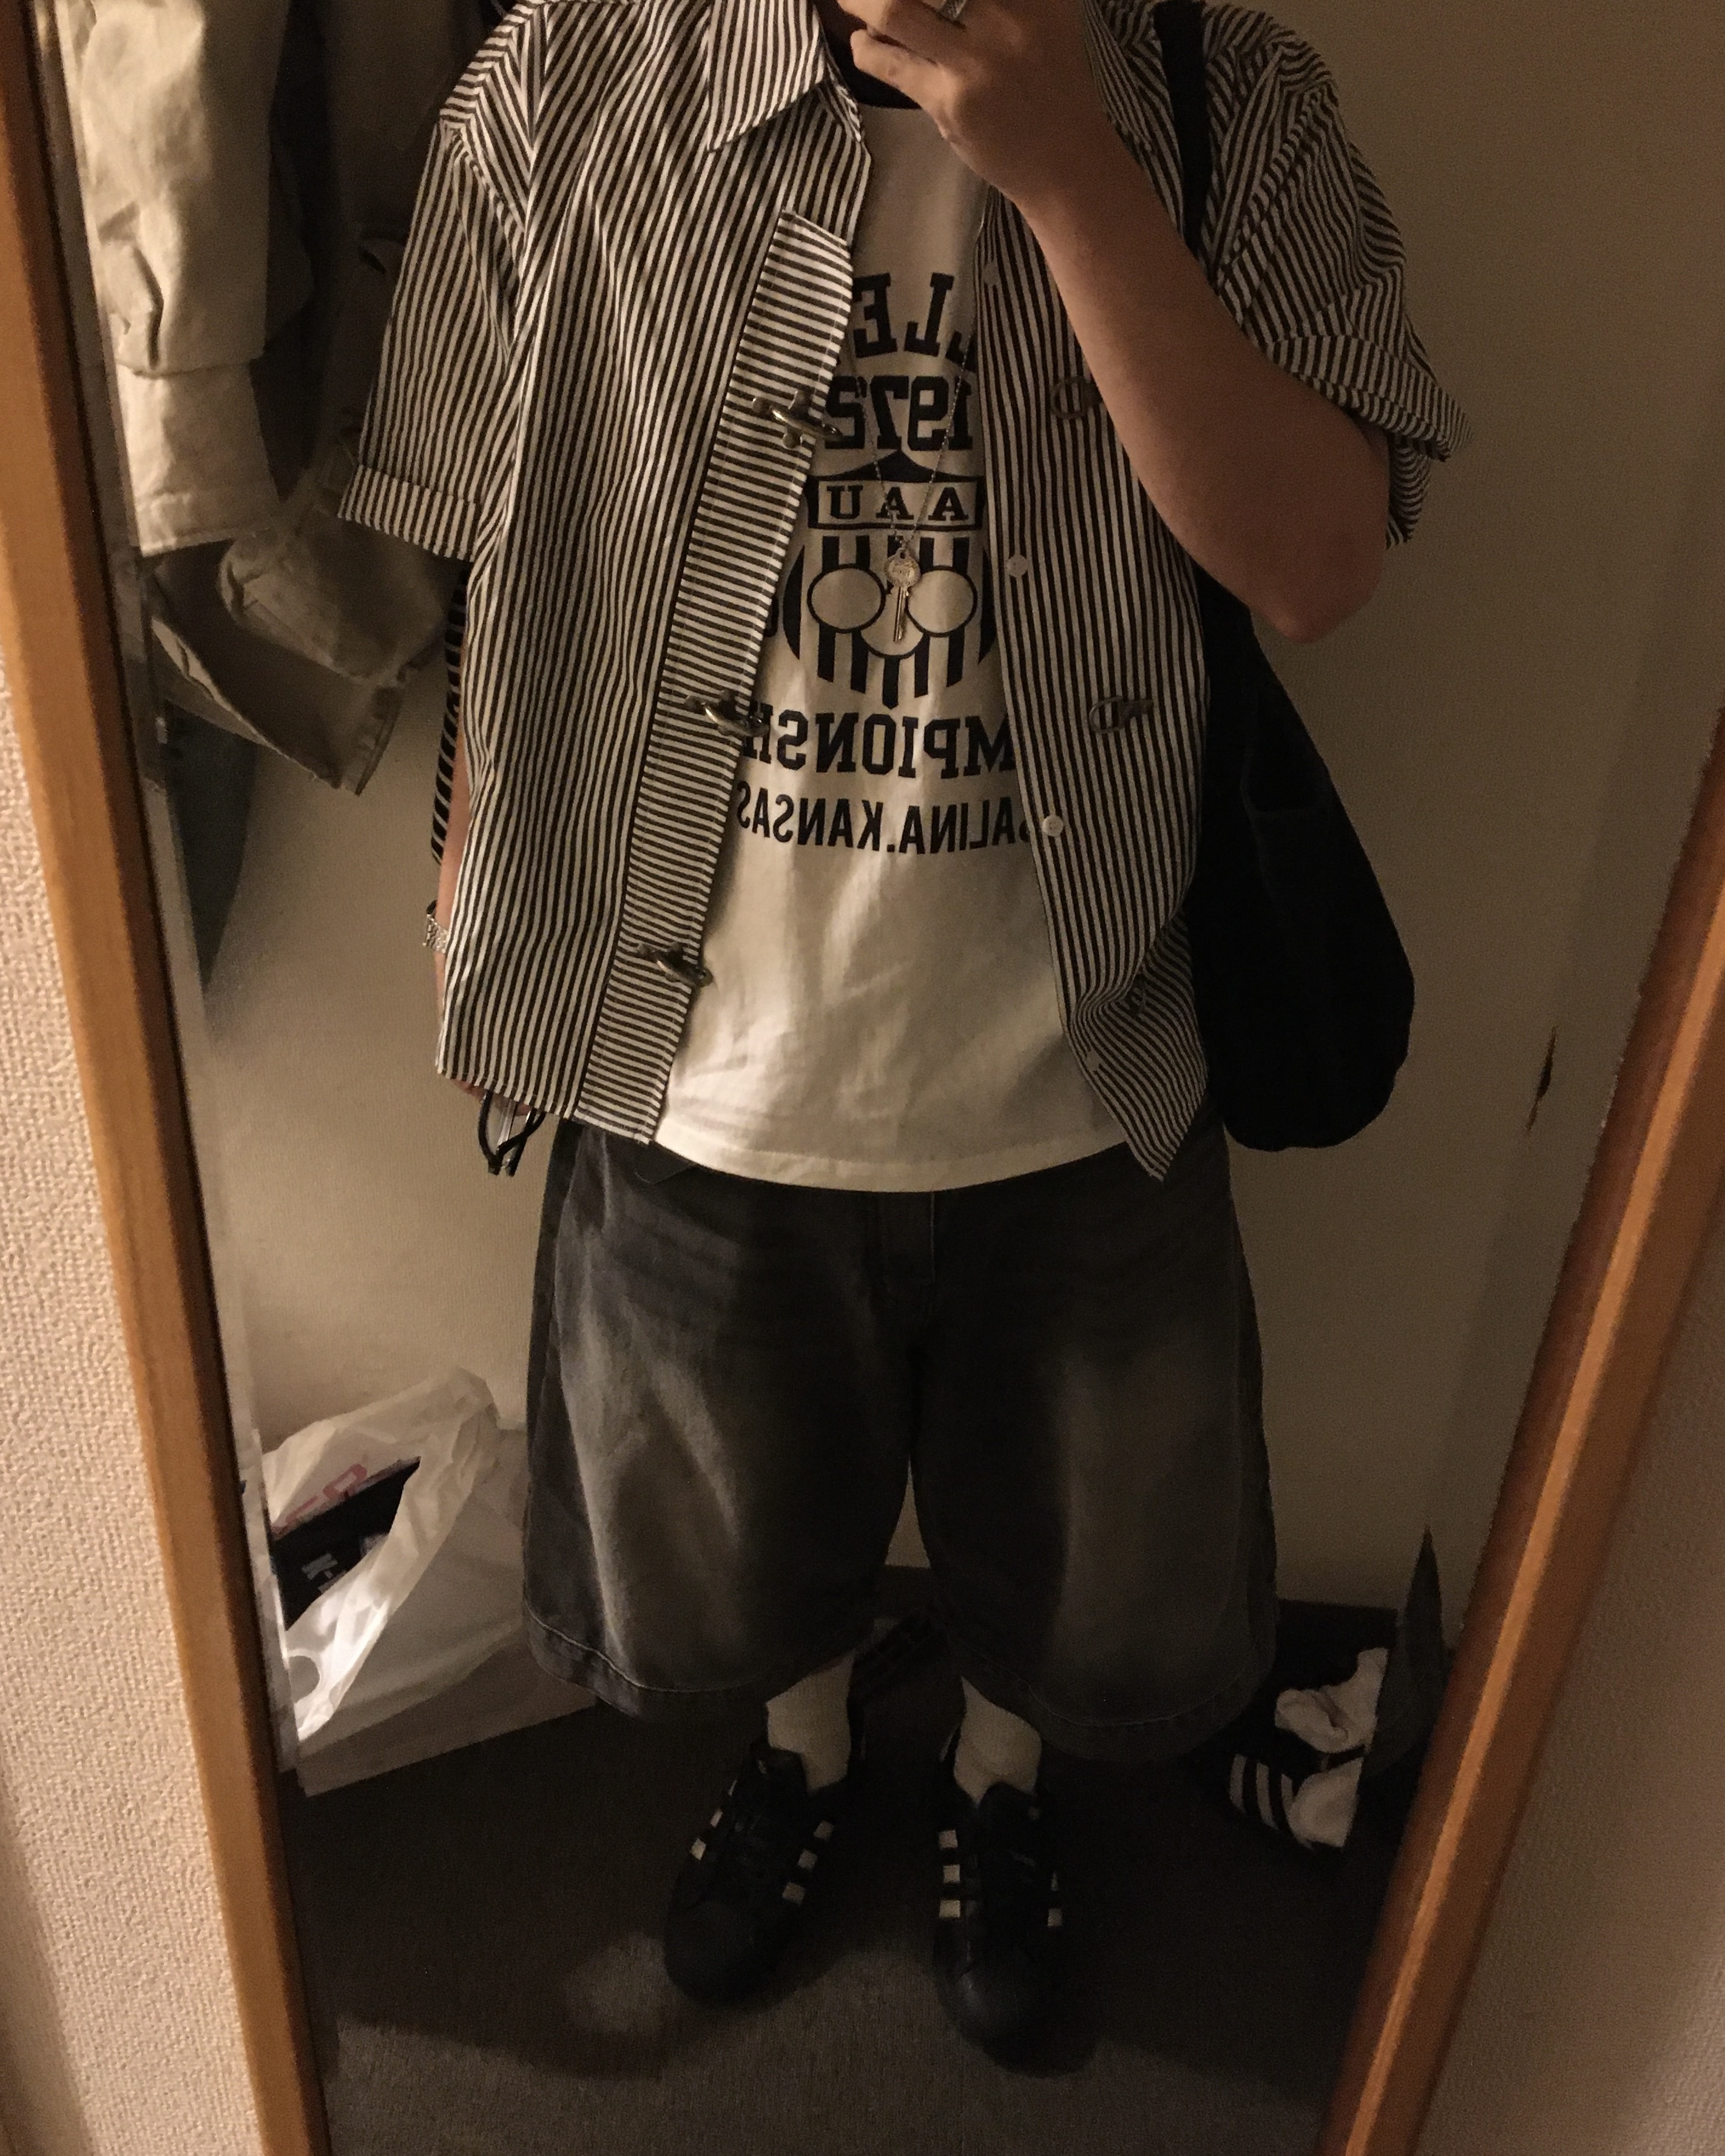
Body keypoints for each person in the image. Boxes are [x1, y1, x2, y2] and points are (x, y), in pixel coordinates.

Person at [340, 0, 1465, 2060]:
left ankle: (994, 1790)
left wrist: (1072, 176)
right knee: (734, 1548)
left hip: (1086, 1065)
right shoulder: (567, 80)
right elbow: (496, 550)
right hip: (694, 1065)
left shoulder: (1228, 88)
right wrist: (470, 899)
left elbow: (1317, 565)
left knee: (1081, 1564)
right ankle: (802, 1750)